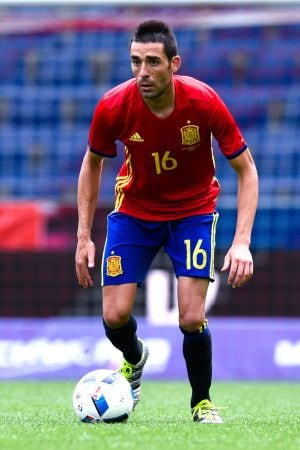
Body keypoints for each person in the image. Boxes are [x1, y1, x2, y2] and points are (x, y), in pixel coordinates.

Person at [75, 20, 258, 424]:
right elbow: (92, 164)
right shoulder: (113, 105)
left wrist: (241, 241)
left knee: (191, 316)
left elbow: (247, 170)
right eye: (136, 62)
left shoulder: (204, 102)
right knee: (114, 316)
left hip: (193, 213)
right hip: (135, 213)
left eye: (153, 62)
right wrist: (83, 235)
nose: (143, 72)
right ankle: (135, 358)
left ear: (174, 63)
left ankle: (201, 403)